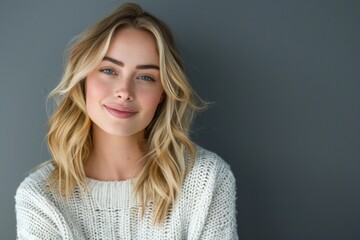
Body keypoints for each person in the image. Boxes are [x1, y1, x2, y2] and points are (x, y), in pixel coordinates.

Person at [15, 3, 237, 239]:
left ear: (163, 92)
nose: (124, 91)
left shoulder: (206, 180)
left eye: (145, 77)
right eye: (109, 70)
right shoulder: (40, 196)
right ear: (83, 79)